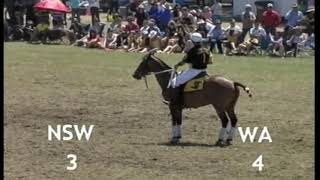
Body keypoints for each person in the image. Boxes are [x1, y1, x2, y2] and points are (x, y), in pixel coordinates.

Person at [169, 32, 213, 107]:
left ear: (192, 41)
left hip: (194, 71)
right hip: (204, 71)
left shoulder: (192, 51)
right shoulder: (207, 50)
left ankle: (176, 102)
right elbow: (210, 61)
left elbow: (183, 61)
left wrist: (177, 65)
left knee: (174, 82)